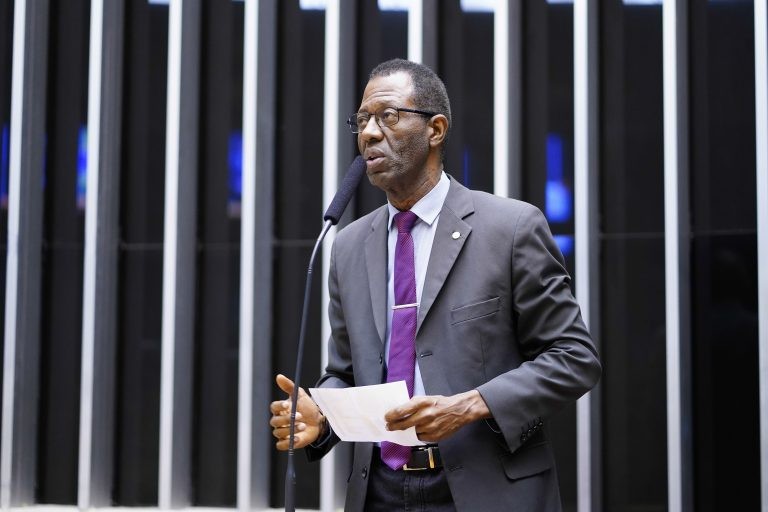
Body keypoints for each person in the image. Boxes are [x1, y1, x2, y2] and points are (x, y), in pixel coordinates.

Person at [270, 58, 601, 512]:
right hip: (378, 493)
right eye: (362, 120)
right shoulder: (347, 246)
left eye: (387, 116)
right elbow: (347, 372)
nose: (368, 134)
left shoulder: (511, 228)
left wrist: (470, 405)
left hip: (485, 489)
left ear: (436, 129)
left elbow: (574, 359)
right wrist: (322, 415)